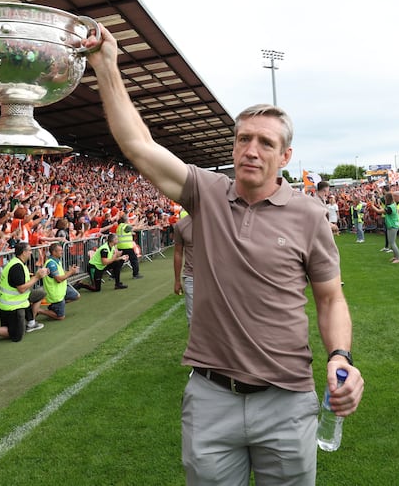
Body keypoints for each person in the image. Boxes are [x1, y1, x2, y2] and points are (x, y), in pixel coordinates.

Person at [82, 24, 364, 485]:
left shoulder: (309, 215)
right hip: (212, 397)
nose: (250, 150)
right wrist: (106, 65)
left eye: (265, 143)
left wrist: (340, 357)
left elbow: (331, 298)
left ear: (285, 156)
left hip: (287, 399)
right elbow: (138, 146)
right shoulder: (205, 193)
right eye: (242, 138)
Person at [0, 241, 48, 345]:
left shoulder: (18, 263)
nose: (31, 252)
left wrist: (36, 276)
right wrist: (37, 277)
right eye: (30, 250)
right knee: (17, 335)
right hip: (12, 306)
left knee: (40, 294)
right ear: (23, 252)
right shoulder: (17, 267)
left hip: (18, 301)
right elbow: (21, 288)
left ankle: (31, 323)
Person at [37, 241, 80, 321]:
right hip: (55, 293)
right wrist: (71, 272)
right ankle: (39, 310)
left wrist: (71, 271)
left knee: (76, 296)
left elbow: (61, 274)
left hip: (61, 290)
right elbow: (59, 279)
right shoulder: (51, 264)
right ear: (54, 252)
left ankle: (56, 307)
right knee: (60, 317)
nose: (62, 252)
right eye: (60, 250)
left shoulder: (56, 261)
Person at [173, 210, 194, 325]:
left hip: (213, 277)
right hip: (191, 277)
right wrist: (177, 280)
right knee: (193, 322)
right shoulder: (181, 225)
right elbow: (178, 253)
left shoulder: (214, 221)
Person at [115, 214, 142, 279]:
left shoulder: (119, 226)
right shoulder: (125, 226)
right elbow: (136, 228)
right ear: (126, 220)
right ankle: (136, 274)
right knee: (134, 260)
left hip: (120, 246)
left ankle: (113, 275)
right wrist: (141, 222)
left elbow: (133, 226)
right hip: (127, 246)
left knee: (120, 262)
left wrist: (138, 220)